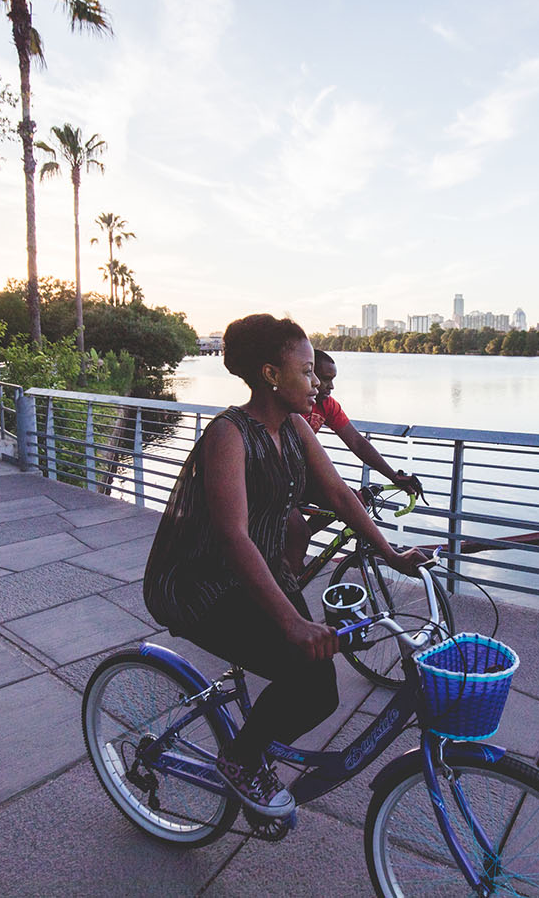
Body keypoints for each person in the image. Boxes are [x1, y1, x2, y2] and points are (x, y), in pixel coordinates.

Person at [142, 314, 425, 819]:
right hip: (204, 584)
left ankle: (254, 740)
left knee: (322, 689)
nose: (317, 382)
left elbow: (339, 493)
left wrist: (392, 555)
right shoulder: (228, 434)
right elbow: (232, 537)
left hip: (263, 572)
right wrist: (292, 621)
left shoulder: (294, 427)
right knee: (308, 680)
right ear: (272, 374)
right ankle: (241, 758)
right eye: (308, 371)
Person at [286, 349, 423, 576]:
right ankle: (287, 564)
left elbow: (357, 443)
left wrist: (393, 476)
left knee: (353, 501)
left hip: (300, 476)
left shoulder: (327, 405)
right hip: (275, 479)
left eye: (332, 379)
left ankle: (293, 549)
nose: (329, 386)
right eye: (325, 378)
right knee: (296, 536)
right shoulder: (290, 408)